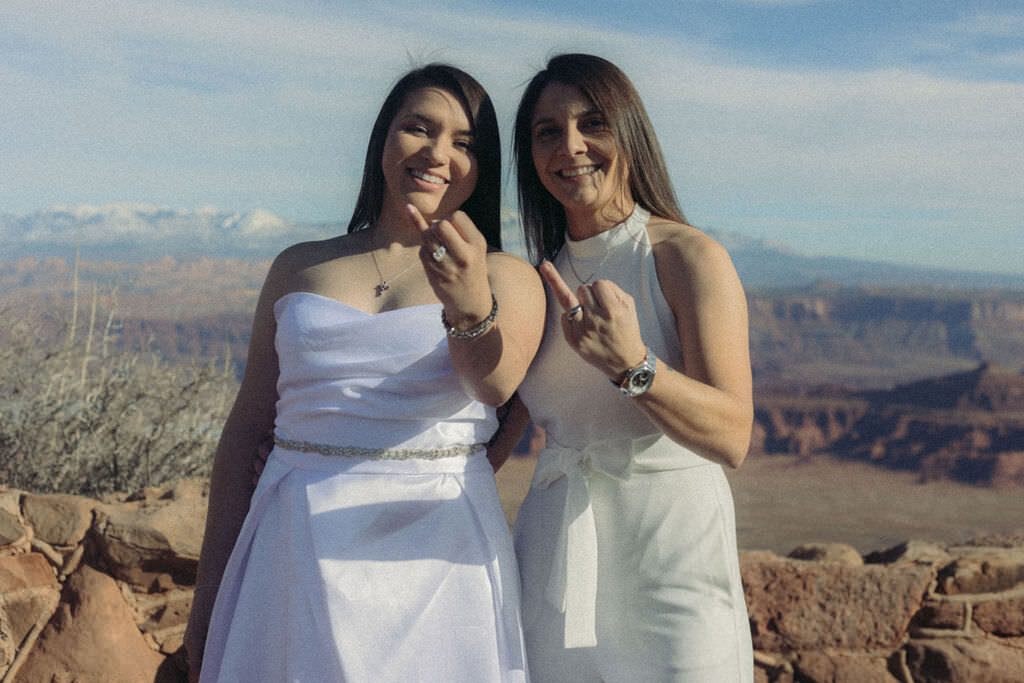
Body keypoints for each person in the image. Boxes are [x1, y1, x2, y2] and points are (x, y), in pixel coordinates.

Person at [184, 63, 545, 682]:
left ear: (482, 168)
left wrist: (466, 302)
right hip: (293, 542)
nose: (437, 154)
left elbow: (494, 387)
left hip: (438, 550)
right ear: (384, 139)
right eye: (418, 128)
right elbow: (246, 429)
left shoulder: (507, 277)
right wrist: (209, 592)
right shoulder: (297, 266)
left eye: (464, 143)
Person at [494, 53, 755, 681]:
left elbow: (733, 434)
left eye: (593, 123)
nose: (572, 146)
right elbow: (496, 436)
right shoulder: (537, 282)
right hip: (555, 559)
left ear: (629, 132)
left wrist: (634, 365)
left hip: (672, 558)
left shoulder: (686, 257)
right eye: (547, 131)